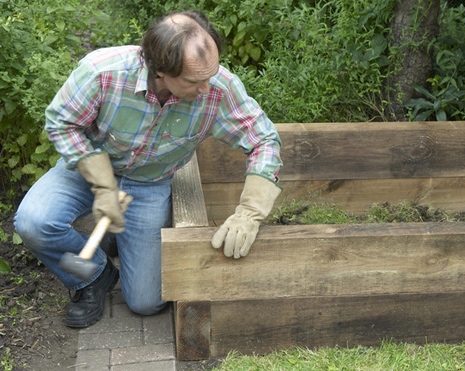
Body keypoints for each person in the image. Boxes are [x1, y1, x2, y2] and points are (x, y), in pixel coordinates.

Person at [14, 10, 282, 328]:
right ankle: (92, 277)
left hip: (149, 181)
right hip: (89, 167)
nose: (207, 89)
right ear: (159, 70)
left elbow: (264, 140)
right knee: (33, 223)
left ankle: (118, 237)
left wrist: (249, 213)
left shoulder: (219, 89)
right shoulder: (103, 71)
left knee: (146, 302)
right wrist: (102, 186)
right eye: (195, 81)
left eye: (210, 75)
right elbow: (63, 123)